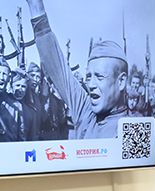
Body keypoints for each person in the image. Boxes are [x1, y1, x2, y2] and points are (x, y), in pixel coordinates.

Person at [25, 0, 128, 138]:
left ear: (121, 81)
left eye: (99, 76)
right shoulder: (86, 112)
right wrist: (36, 7)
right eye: (89, 77)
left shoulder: (135, 127)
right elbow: (56, 65)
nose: (91, 84)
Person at [0, 57, 23, 142]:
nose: (1, 77)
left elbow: (21, 136)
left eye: (4, 74)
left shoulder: (17, 106)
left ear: (9, 79)